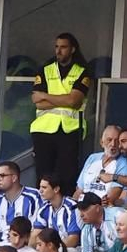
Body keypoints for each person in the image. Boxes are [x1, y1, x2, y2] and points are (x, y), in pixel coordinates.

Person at [30, 32, 94, 197]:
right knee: (43, 174)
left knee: (67, 175)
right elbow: (37, 101)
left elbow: (74, 101)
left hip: (70, 129)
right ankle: (43, 209)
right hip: (43, 129)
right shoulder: (45, 69)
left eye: (63, 47)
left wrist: (46, 96)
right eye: (57, 47)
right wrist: (62, 99)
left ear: (73, 49)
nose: (58, 51)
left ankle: (63, 210)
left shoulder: (83, 71)